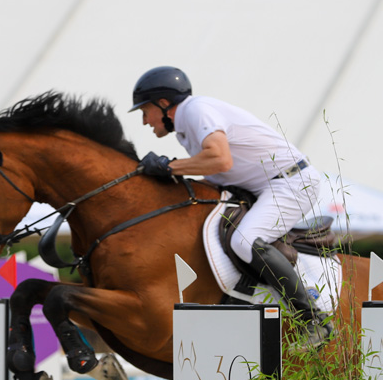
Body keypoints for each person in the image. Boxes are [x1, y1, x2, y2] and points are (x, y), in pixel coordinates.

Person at [130, 66, 331, 346]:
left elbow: (220, 159)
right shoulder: (186, 128)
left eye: (145, 111)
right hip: (266, 186)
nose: (144, 121)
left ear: (163, 104)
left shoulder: (194, 110)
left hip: (291, 183)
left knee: (244, 241)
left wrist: (168, 166)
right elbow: (216, 173)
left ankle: (313, 319)